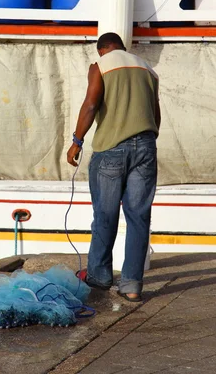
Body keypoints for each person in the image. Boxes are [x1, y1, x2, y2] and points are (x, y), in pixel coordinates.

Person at [67, 32, 160, 302]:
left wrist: (77, 140)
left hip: (111, 149)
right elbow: (156, 115)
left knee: (106, 215)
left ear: (102, 49)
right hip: (146, 147)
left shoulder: (101, 65)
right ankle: (131, 286)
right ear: (121, 46)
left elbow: (92, 104)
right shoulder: (148, 69)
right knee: (139, 217)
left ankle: (99, 277)